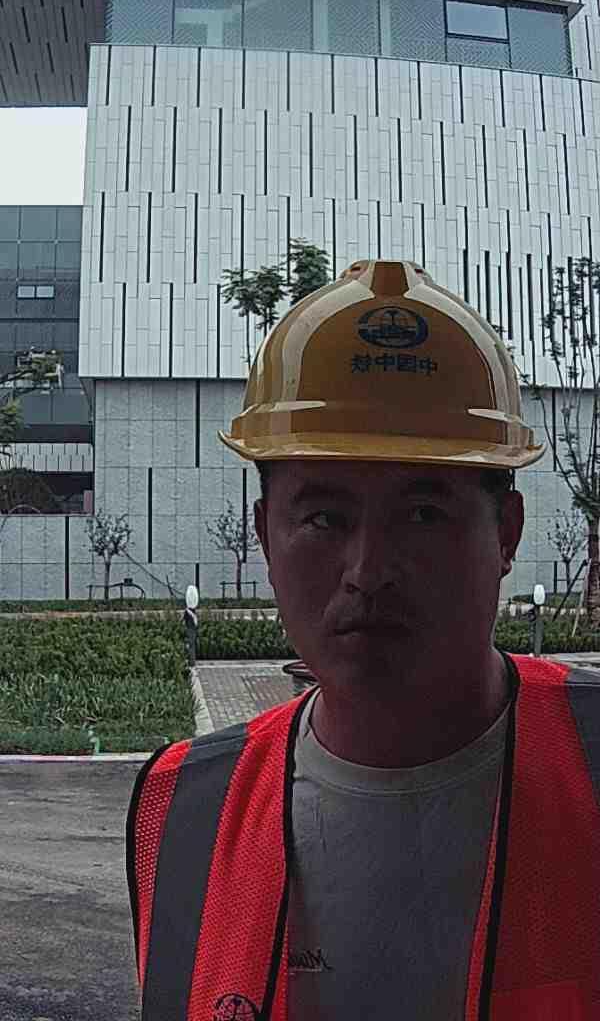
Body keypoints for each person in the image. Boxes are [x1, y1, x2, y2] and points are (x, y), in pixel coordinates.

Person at [126, 260, 600, 1021]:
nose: (369, 571)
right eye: (324, 517)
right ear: (265, 536)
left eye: (423, 514)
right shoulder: (182, 812)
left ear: (506, 534)